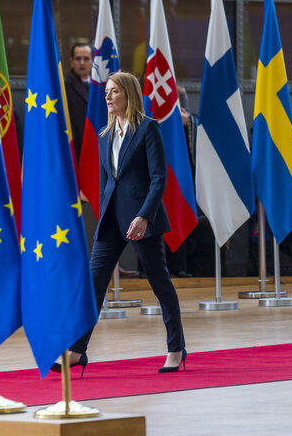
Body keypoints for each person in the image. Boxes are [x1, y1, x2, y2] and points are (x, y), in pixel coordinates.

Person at [53, 71, 187, 375]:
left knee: (159, 283)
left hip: (142, 219)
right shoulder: (105, 134)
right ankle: (77, 350)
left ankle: (176, 348)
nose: (107, 97)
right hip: (111, 219)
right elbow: (106, 182)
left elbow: (158, 179)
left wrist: (144, 215)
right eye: (107, 92)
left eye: (114, 92)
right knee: (93, 283)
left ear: (128, 95)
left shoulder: (148, 129)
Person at [64, 42, 92, 162]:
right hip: (75, 149)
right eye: (78, 59)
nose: (82, 63)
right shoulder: (64, 86)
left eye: (86, 59)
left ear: (92, 61)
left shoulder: (102, 85)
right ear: (71, 62)